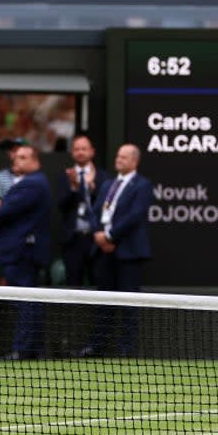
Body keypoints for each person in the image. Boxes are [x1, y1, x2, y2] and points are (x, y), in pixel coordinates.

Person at [79, 143, 153, 357]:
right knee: (104, 302)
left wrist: (111, 236)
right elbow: (95, 212)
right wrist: (99, 235)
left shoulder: (142, 185)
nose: (119, 159)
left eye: (124, 157)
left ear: (134, 161)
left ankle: (125, 349)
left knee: (129, 303)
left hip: (128, 253)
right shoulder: (108, 184)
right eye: (118, 156)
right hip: (103, 252)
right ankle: (97, 346)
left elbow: (134, 216)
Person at [0, 144, 51, 360]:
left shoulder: (32, 183)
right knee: (28, 299)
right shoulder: (31, 183)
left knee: (25, 300)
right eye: (16, 157)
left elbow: (5, 210)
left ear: (35, 161)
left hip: (22, 252)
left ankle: (23, 350)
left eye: (23, 157)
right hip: (21, 252)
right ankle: (32, 349)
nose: (17, 161)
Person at [56, 131, 100, 288]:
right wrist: (74, 188)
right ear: (72, 152)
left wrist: (91, 188)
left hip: (96, 240)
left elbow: (105, 206)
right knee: (73, 286)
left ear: (92, 151)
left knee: (99, 285)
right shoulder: (64, 176)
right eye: (77, 149)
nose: (80, 152)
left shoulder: (102, 176)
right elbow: (61, 205)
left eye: (84, 148)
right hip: (72, 239)